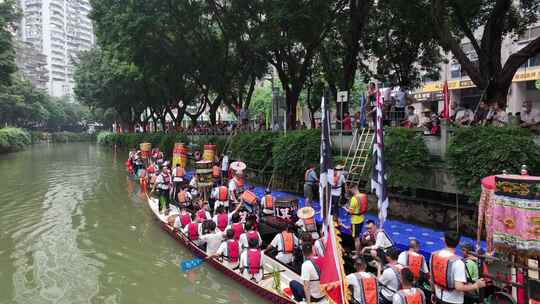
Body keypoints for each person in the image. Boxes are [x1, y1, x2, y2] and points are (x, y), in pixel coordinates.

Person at [430, 231, 486, 304]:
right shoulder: (458, 262)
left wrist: (433, 292)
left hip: (438, 296)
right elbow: (459, 287)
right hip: (453, 300)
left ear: (443, 240)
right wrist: (476, 285)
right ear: (458, 242)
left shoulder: (433, 255)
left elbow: (431, 278)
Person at [348, 184, 368, 255]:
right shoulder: (363, 195)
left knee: (356, 238)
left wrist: (347, 210)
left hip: (355, 221)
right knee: (358, 235)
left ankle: (357, 254)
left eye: (351, 190)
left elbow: (350, 212)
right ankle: (358, 250)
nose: (351, 192)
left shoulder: (354, 199)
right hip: (362, 219)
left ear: (353, 189)